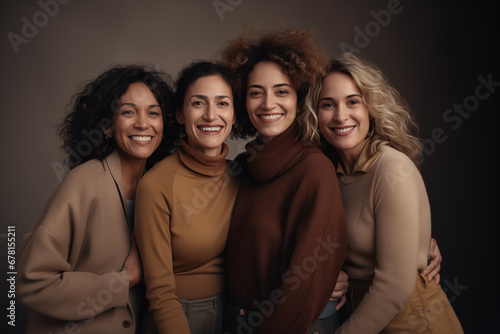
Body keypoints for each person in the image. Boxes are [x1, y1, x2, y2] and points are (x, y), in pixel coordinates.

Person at [16, 65, 177, 334]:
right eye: (128, 112)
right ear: (107, 127)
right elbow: (30, 283)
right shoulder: (84, 182)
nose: (143, 123)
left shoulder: (159, 187)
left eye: (153, 113)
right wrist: (125, 281)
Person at [313, 52, 463, 333]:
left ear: (370, 107)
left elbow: (394, 285)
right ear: (314, 114)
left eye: (353, 102)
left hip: (412, 320)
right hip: (361, 314)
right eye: (327, 105)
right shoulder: (327, 173)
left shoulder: (392, 169)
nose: (340, 115)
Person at [220, 28, 348, 334]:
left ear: (300, 97)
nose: (267, 104)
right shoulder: (242, 168)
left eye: (281, 91)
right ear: (241, 99)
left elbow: (302, 285)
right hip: (236, 321)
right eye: (255, 92)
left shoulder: (313, 168)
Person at [134, 61, 240, 334]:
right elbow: (160, 292)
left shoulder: (242, 175)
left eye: (222, 103)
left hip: (234, 315)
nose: (211, 115)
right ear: (180, 114)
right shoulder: (157, 184)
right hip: (179, 318)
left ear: (234, 114)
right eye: (197, 103)